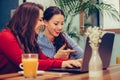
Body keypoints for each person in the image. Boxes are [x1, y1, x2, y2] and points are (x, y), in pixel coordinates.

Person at [0, 2, 82, 74]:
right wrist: (62, 63)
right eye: (40, 20)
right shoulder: (6, 36)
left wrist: (71, 61)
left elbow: (45, 59)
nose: (43, 24)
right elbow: (24, 63)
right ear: (29, 20)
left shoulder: (29, 39)